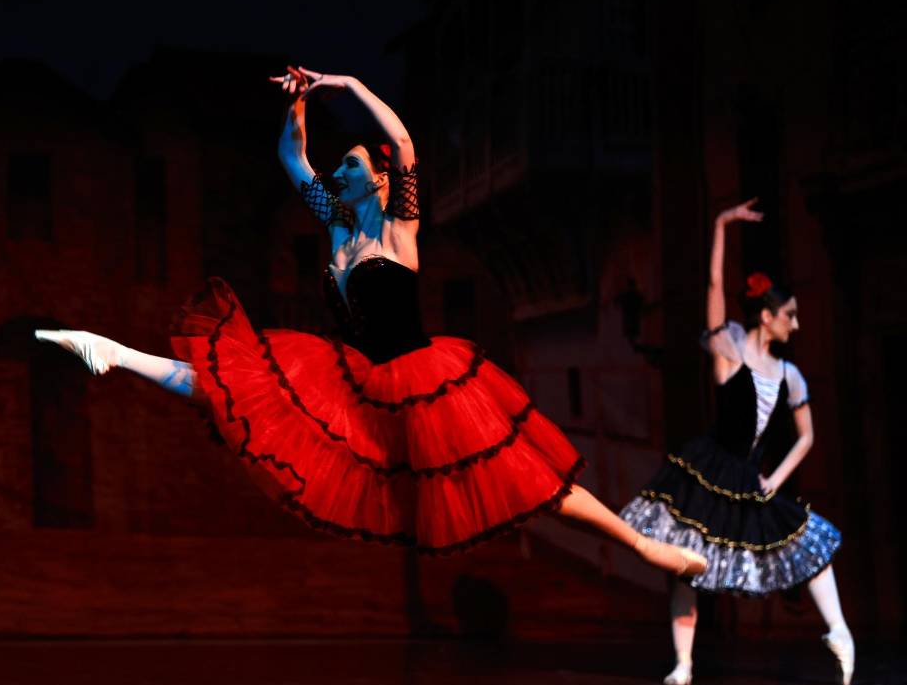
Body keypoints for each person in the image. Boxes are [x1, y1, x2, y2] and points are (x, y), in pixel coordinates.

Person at [36, 66, 705, 577]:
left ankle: (641, 544)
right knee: (235, 383)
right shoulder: (334, 233)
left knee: (527, 486)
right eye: (343, 167)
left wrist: (346, 83)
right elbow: (292, 158)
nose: (341, 170)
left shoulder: (400, 234)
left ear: (377, 183)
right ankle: (112, 352)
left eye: (352, 164)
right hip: (356, 380)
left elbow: (404, 140)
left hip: (425, 382)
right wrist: (299, 98)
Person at [619, 199, 852, 685]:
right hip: (708, 466)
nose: (796, 324)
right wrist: (721, 226)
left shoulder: (789, 374)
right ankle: (684, 661)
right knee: (687, 561)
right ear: (767, 317)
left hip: (751, 477)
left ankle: (840, 632)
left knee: (806, 543)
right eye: (790, 315)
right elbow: (713, 288)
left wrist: (775, 479)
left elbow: (807, 438)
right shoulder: (729, 350)